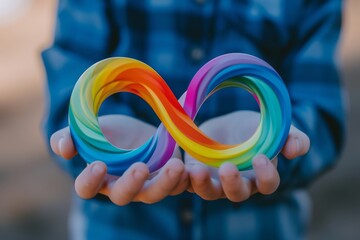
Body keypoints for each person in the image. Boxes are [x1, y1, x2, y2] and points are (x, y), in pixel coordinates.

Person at [42, 0, 346, 239]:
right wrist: (93, 143)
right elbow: (70, 85)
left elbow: (320, 114)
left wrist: (278, 147)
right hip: (121, 229)